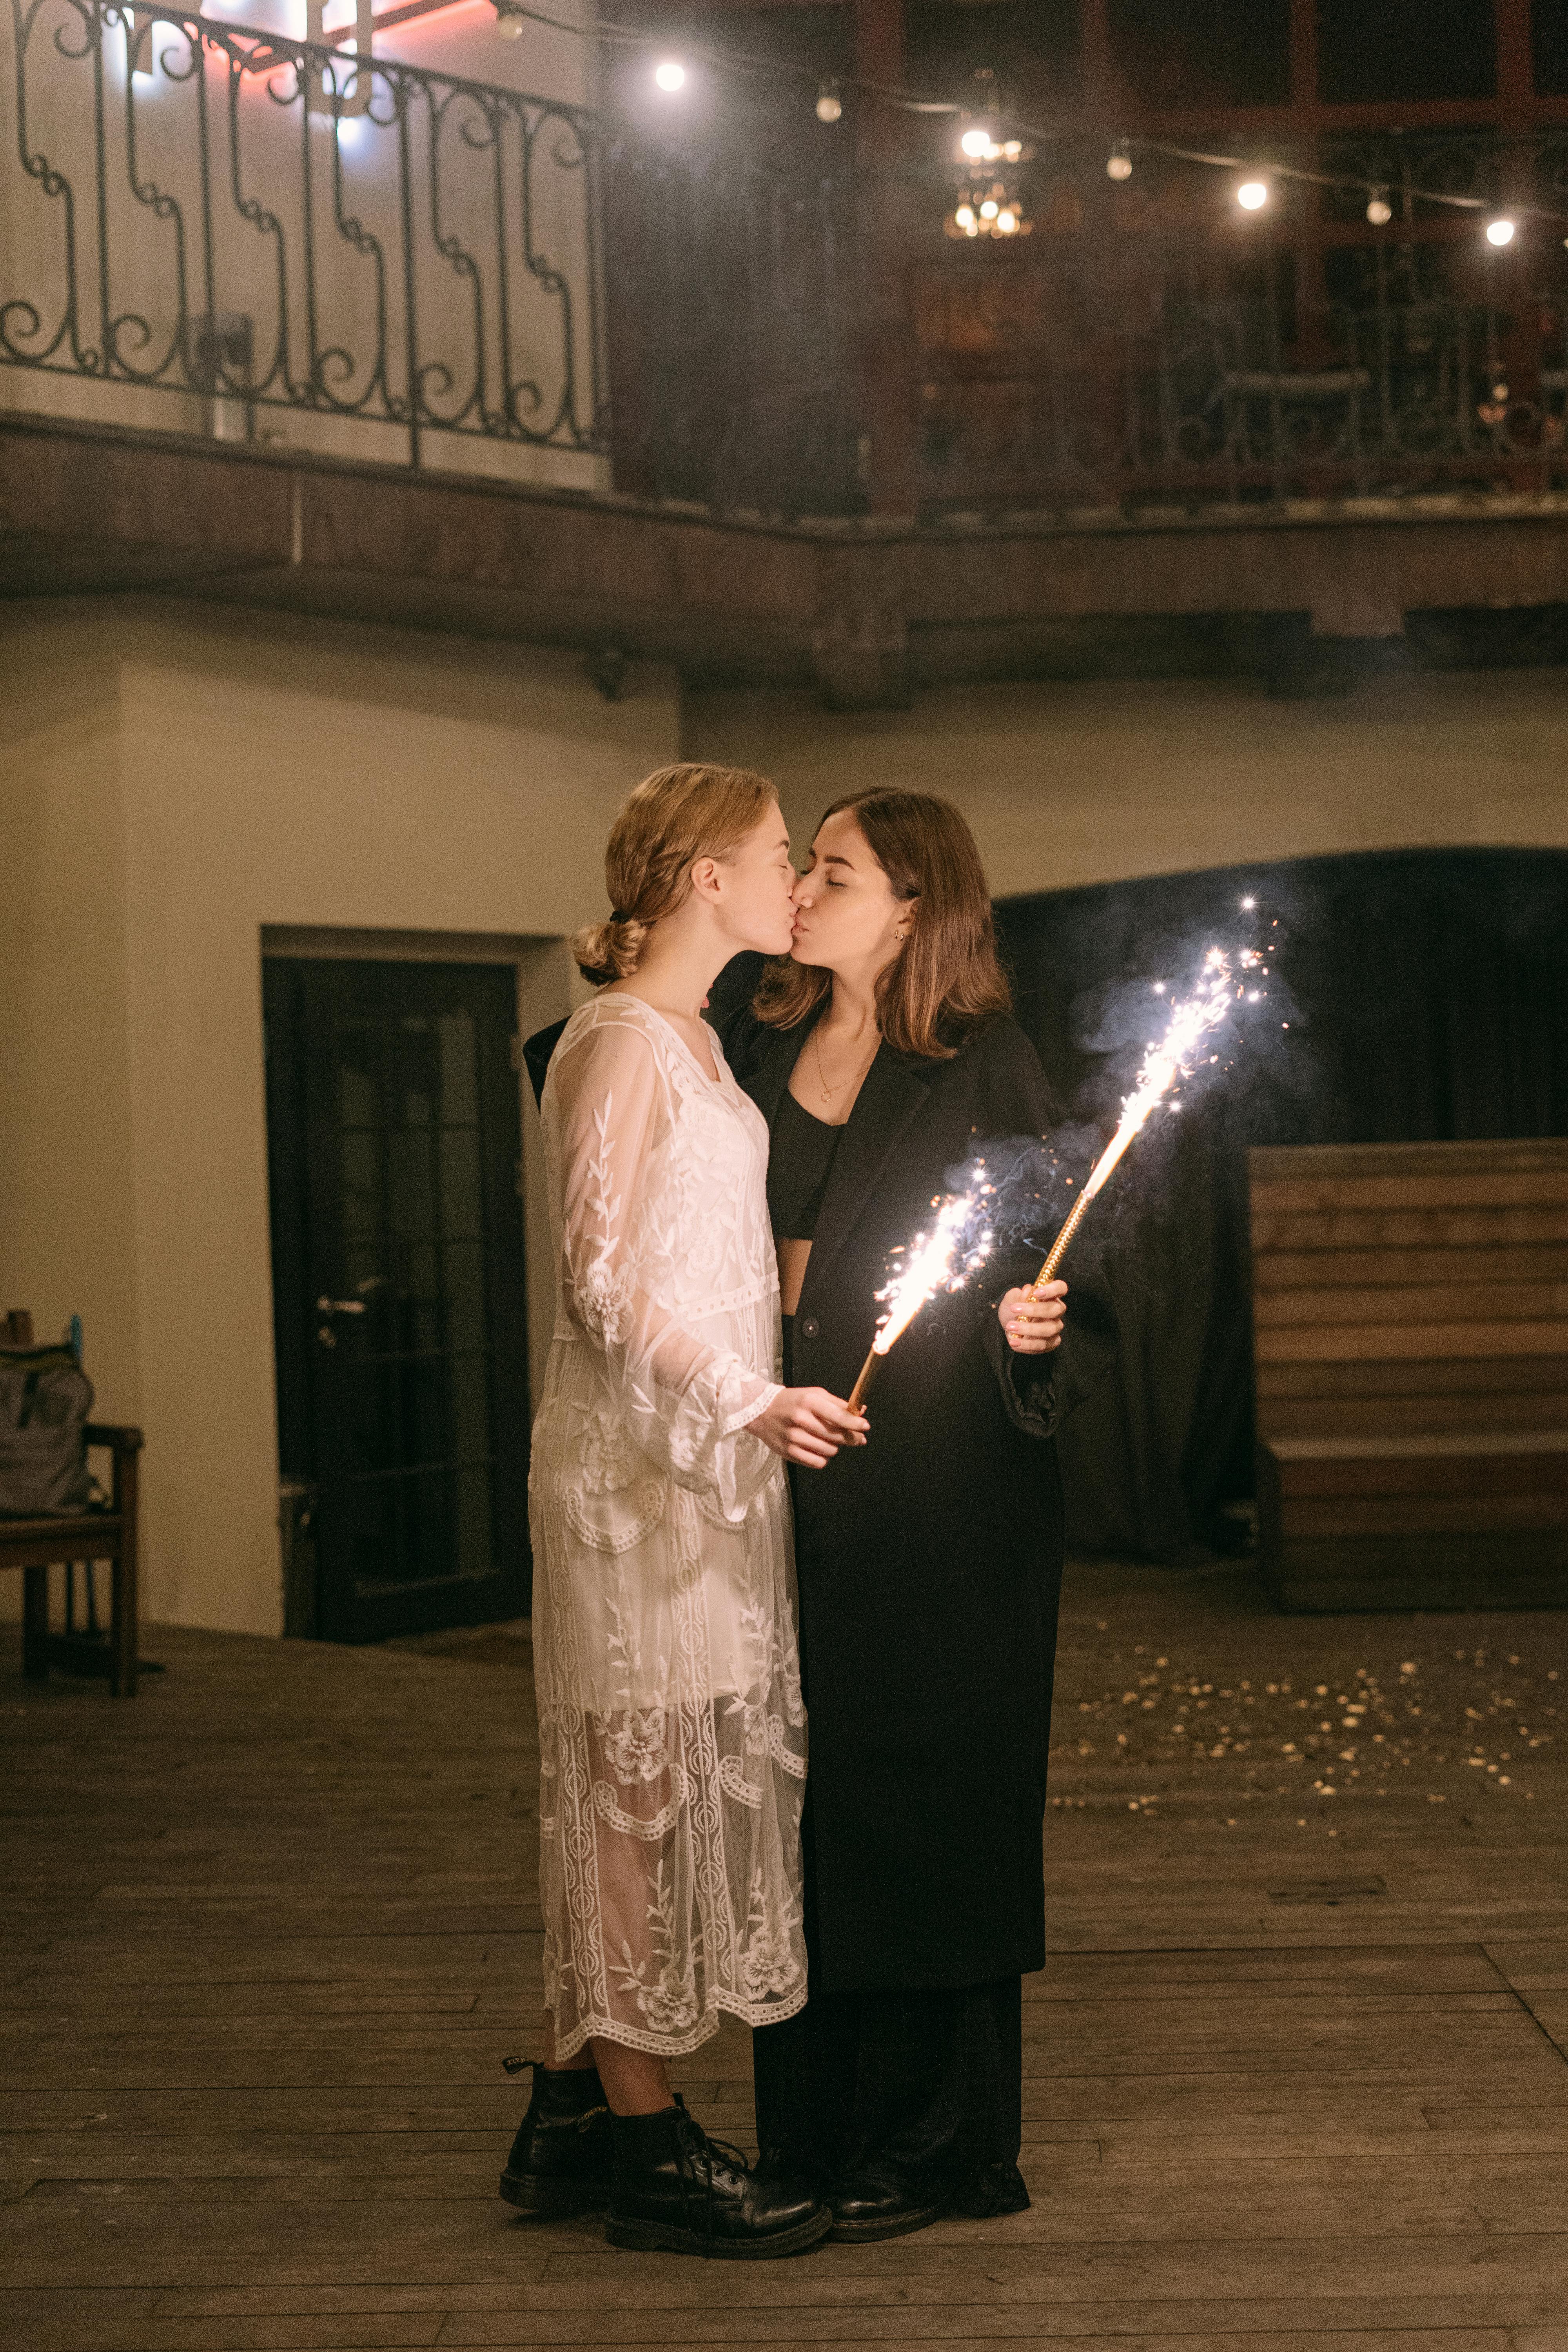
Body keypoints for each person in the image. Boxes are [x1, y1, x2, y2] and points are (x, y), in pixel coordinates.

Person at [724, 787, 1118, 2245]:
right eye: (807, 865)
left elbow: (1072, 1276)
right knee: (805, 1801)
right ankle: (815, 2137)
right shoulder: (756, 1044)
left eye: (838, 870)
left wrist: (1040, 1327)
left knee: (929, 1792)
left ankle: (945, 2149)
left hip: (944, 1488)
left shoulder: (982, 1063)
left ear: (913, 906)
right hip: (785, 1461)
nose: (809, 888)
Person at [502, 762, 866, 2260]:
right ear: (705, 872)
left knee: (663, 1776)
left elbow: (708, 1245)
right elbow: (600, 1281)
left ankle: (566, 2115)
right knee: (630, 1797)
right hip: (639, 1476)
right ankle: (651, 2151)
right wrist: (743, 1396)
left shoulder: (705, 1047)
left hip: (711, 1472)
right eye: (784, 854)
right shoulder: (619, 1044)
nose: (797, 880)